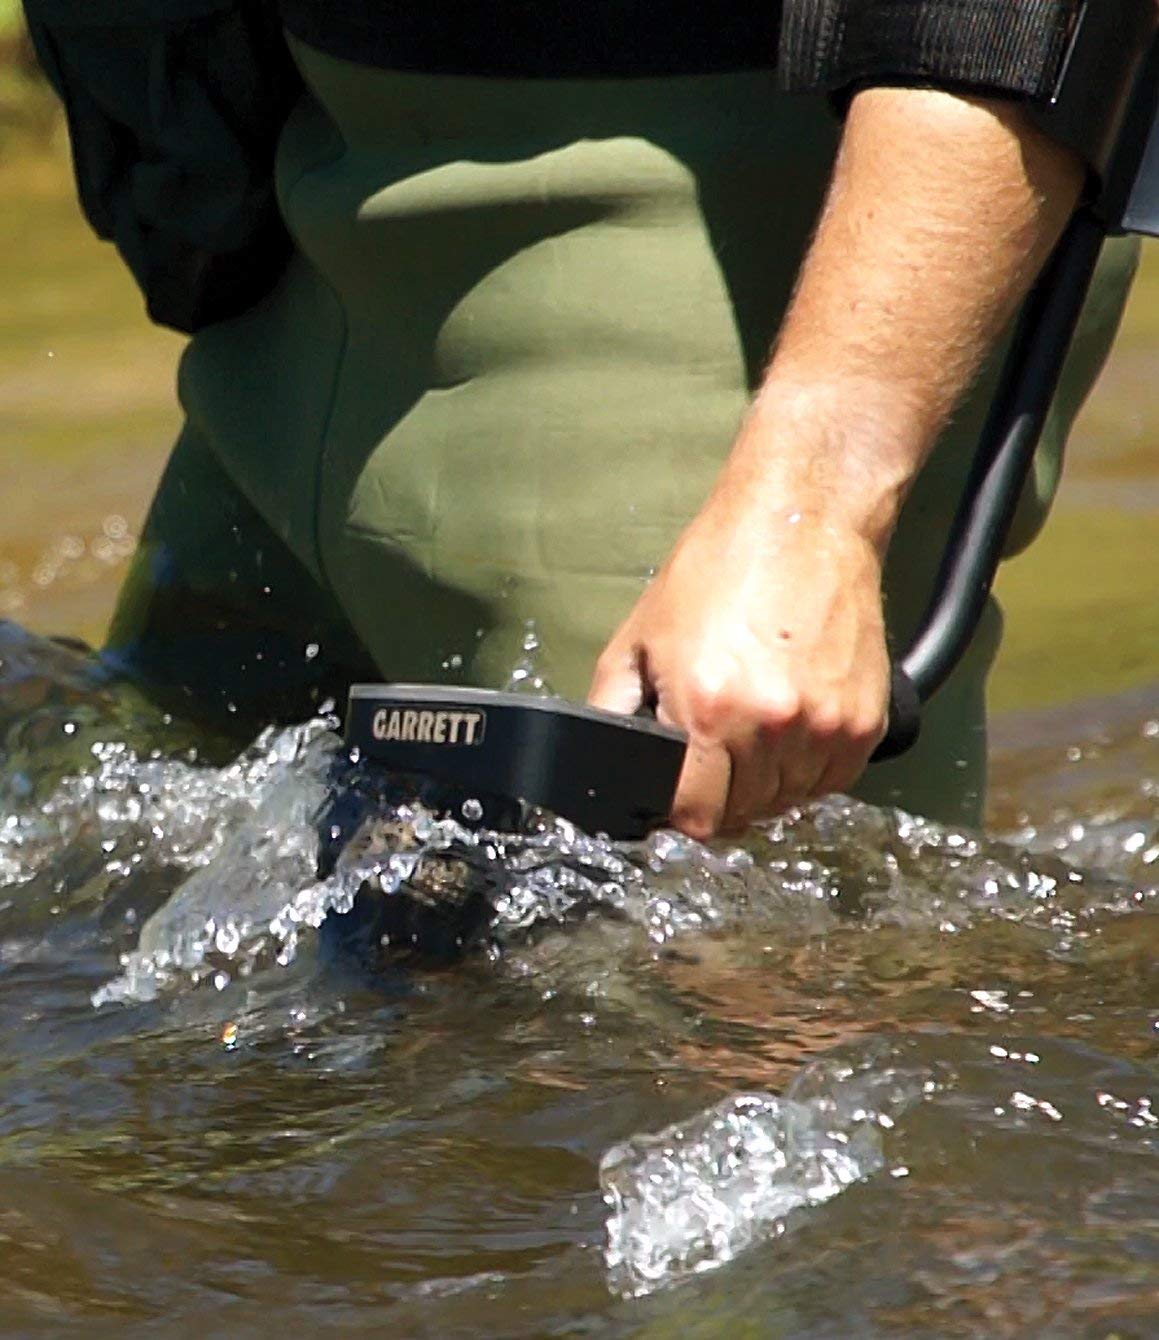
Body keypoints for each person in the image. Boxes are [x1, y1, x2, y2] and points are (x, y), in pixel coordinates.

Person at [25, 1, 1148, 835]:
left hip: (750, 207)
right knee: (192, 1065)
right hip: (297, 205)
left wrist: (816, 494)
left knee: (655, 1053)